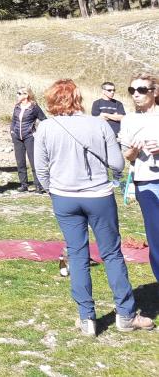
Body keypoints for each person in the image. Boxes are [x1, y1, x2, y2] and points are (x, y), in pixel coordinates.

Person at [34, 79, 154, 336]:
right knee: (111, 254)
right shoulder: (98, 124)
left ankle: (86, 318)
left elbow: (40, 169)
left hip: (63, 197)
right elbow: (117, 164)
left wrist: (53, 189)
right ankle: (125, 314)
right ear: (78, 98)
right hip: (98, 196)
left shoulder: (45, 127)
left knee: (76, 255)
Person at [119, 72, 159, 283]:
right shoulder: (129, 120)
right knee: (155, 237)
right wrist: (133, 151)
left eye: (142, 90)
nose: (136, 94)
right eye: (132, 90)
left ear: (155, 92)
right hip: (146, 182)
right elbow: (127, 156)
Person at [10, 87, 47, 193]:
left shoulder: (34, 107)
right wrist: (12, 132)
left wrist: (37, 133)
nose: (17, 95)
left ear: (26, 95)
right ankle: (23, 184)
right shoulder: (17, 107)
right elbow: (13, 121)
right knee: (20, 161)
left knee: (34, 161)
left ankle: (38, 185)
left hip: (30, 137)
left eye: (19, 93)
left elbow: (44, 120)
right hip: (17, 137)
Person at [91, 81, 126, 184]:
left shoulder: (118, 104)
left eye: (114, 90)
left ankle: (117, 180)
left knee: (117, 158)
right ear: (103, 91)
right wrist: (113, 115)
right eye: (110, 90)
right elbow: (96, 119)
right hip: (101, 135)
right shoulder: (97, 103)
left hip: (116, 135)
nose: (112, 92)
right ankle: (103, 179)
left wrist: (106, 114)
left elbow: (122, 117)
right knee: (102, 157)